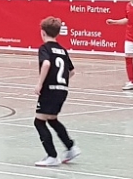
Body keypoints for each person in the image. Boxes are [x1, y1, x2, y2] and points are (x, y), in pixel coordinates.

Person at [33, 17, 81, 167]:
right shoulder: (62, 50)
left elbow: (46, 63)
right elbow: (71, 71)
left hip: (49, 90)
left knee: (39, 121)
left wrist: (40, 84)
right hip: (62, 90)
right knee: (52, 119)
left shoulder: (45, 48)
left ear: (42, 32)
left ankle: (52, 156)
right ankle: (70, 147)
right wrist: (61, 82)